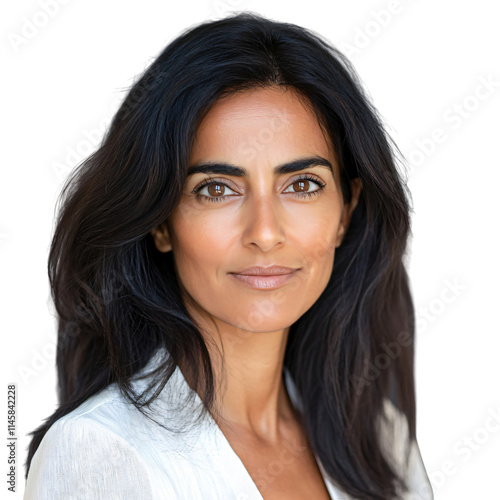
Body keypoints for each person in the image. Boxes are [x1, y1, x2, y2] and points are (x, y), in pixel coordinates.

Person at [23, 12, 434, 500]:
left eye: (302, 185)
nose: (264, 232)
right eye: (217, 189)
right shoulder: (99, 451)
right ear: (160, 223)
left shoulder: (378, 437)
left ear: (346, 210)